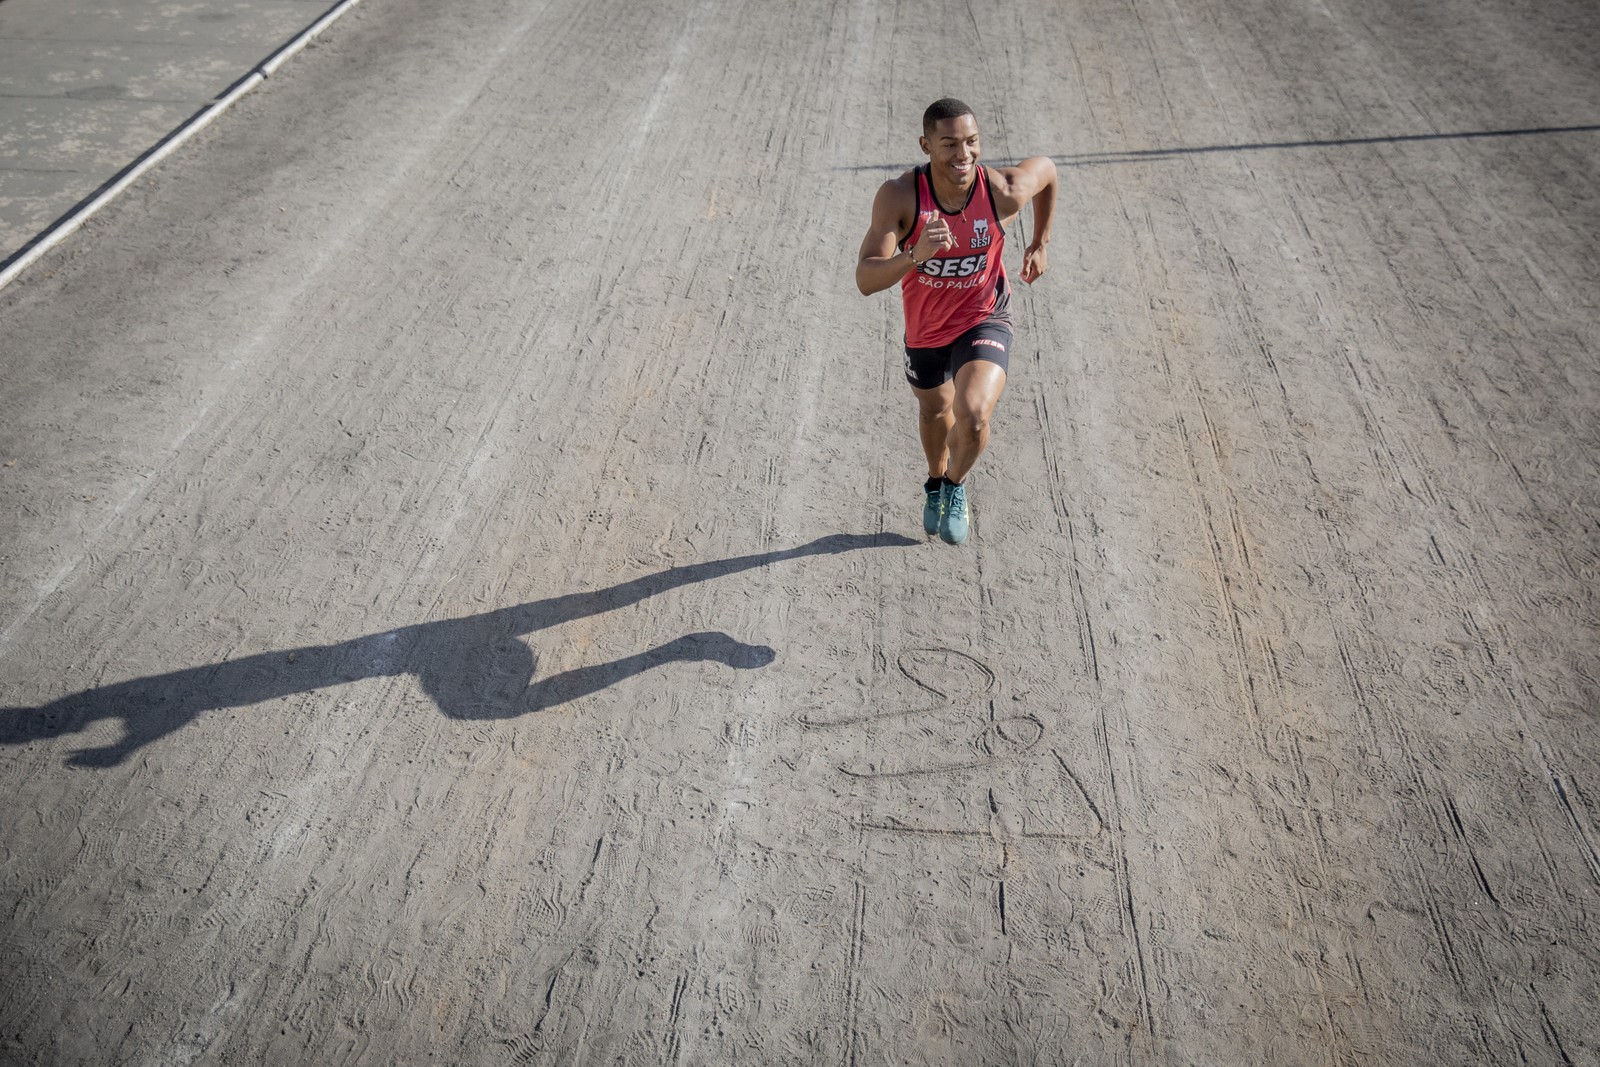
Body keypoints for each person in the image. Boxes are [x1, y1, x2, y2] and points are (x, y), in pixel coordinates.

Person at [856, 98, 1057, 545]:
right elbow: (866, 278)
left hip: (984, 317)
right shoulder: (901, 196)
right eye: (949, 144)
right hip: (926, 331)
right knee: (934, 411)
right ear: (926, 145)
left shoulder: (1000, 190)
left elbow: (1046, 171)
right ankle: (935, 482)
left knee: (974, 415)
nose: (963, 154)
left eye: (971, 142)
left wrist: (1040, 242)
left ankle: (955, 487)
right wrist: (914, 256)